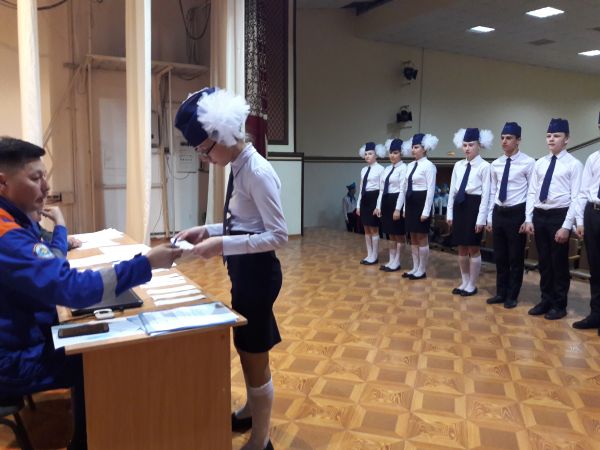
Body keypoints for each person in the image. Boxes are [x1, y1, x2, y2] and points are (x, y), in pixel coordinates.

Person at [0, 137, 182, 450]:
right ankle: (88, 442)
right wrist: (146, 263)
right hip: (12, 360)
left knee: (97, 337)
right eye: (35, 178)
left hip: (24, 337)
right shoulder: (6, 234)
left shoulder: (15, 219)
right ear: (3, 183)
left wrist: (57, 229)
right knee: (100, 358)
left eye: (44, 176)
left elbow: (51, 261)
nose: (45, 187)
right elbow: (70, 287)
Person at [174, 87, 287, 450]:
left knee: (255, 353)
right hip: (244, 271)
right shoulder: (238, 166)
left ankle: (261, 440)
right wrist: (208, 230)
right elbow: (244, 224)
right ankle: (252, 410)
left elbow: (278, 235)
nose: (204, 158)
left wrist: (222, 244)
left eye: (205, 150)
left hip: (258, 274)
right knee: (246, 346)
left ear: (222, 135)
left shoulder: (257, 171)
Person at [525, 118, 583, 320]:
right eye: (549, 135)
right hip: (540, 214)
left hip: (559, 215)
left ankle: (559, 304)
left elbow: (576, 198)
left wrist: (566, 226)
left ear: (566, 139)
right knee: (544, 262)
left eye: (556, 136)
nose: (551, 139)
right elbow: (532, 192)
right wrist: (529, 218)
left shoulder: (574, 164)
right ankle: (546, 300)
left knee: (558, 263)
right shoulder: (540, 163)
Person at [486, 122, 535, 308]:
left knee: (515, 257)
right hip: (499, 211)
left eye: (509, 138)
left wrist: (528, 218)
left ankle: (512, 295)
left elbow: (531, 192)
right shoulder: (496, 164)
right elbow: (493, 191)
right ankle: (501, 292)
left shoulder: (528, 163)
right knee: (500, 256)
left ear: (518, 140)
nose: (504, 141)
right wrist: (489, 217)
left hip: (517, 212)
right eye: (502, 138)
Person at [448, 128, 492, 296]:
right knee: (461, 246)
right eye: (465, 145)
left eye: (471, 145)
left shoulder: (485, 166)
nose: (467, 148)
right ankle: (464, 281)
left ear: (479, 145)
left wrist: (481, 219)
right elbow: (452, 191)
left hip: (474, 206)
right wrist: (449, 213)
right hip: (460, 205)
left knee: (473, 247)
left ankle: (472, 284)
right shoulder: (458, 165)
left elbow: (486, 195)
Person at [573, 113, 600, 330]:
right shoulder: (593, 158)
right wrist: (580, 221)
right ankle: (596, 314)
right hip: (593, 213)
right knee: (595, 267)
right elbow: (583, 192)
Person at [401, 133, 438, 280]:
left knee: (422, 237)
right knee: (413, 237)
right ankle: (415, 267)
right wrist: (404, 208)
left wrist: (426, 211)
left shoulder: (429, 166)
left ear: (425, 149)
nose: (413, 150)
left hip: (421, 201)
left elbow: (431, 190)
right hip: (410, 202)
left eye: (416, 147)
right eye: (412, 147)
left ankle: (422, 270)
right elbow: (405, 187)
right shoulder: (410, 165)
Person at [374, 138, 407, 272]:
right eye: (391, 153)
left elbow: (402, 190)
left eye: (395, 153)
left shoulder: (404, 168)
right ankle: (391, 260)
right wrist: (378, 206)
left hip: (396, 200)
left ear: (401, 153)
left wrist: (398, 209)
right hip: (386, 202)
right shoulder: (387, 169)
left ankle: (397, 261)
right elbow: (381, 189)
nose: (392, 155)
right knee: (390, 234)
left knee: (398, 234)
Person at [356, 141, 385, 265]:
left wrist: (378, 206)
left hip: (374, 198)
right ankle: (369, 254)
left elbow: (382, 189)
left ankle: (375, 255)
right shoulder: (363, 170)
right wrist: (358, 205)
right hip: (365, 199)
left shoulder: (381, 169)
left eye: (370, 154)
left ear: (376, 155)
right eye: (366, 154)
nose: (367, 156)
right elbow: (361, 188)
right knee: (366, 228)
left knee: (374, 229)